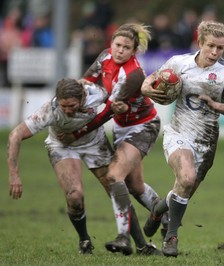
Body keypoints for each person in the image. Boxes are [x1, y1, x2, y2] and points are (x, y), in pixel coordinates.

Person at [60, 23, 166, 256]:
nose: (119, 50)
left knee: (114, 175)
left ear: (133, 50)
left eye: (126, 47)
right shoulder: (105, 56)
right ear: (111, 44)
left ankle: (122, 237)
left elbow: (108, 111)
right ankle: (167, 216)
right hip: (121, 127)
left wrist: (77, 133)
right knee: (135, 187)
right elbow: (87, 81)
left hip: (143, 125)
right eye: (117, 45)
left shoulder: (134, 74)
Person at [141, 20, 224, 257]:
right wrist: (149, 90)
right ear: (200, 42)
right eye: (211, 46)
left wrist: (217, 104)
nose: (215, 52)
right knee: (186, 178)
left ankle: (157, 210)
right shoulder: (179, 63)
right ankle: (171, 237)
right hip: (179, 133)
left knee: (182, 191)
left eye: (221, 48)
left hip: (207, 142)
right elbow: (148, 82)